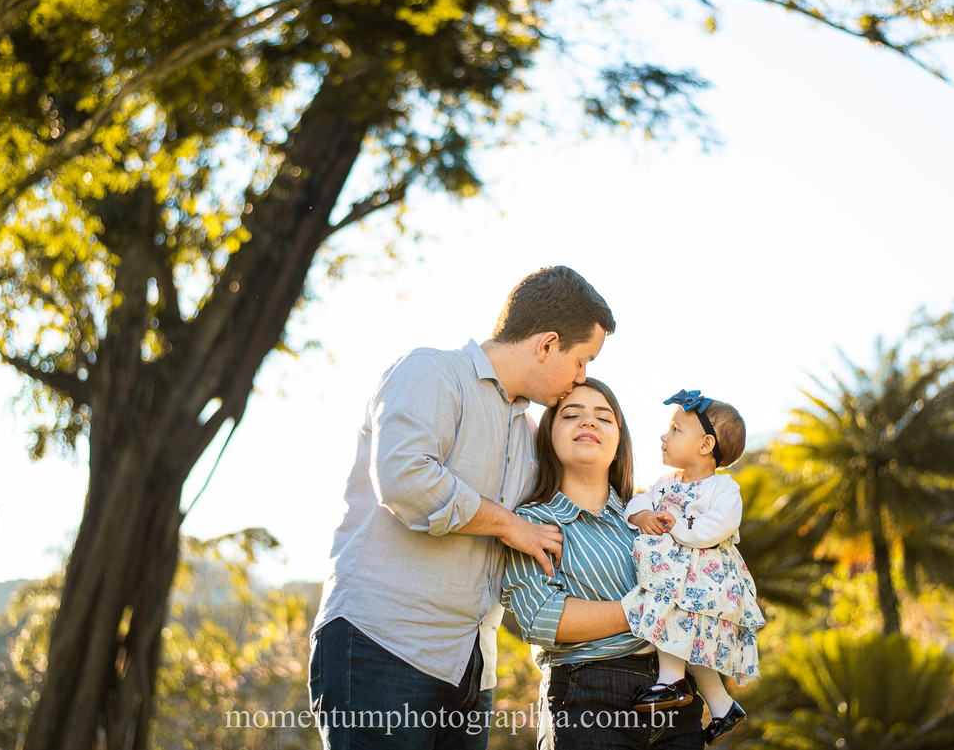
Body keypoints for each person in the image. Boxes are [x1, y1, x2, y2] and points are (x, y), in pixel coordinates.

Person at [309, 266, 616, 750]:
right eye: (582, 361)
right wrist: (508, 525)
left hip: (472, 668)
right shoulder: (431, 371)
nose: (582, 378)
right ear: (547, 344)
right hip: (382, 646)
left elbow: (571, 506)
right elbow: (405, 478)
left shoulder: (529, 434)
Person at [502, 378, 706, 750]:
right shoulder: (529, 522)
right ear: (548, 435)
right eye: (572, 415)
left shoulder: (653, 515)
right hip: (588, 698)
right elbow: (542, 617)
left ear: (619, 440)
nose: (589, 423)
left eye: (603, 417)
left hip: (677, 697)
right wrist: (649, 607)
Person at [622, 390, 764, 746]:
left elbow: (717, 526)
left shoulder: (723, 488)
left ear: (705, 444)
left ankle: (670, 680)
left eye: (675, 429)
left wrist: (678, 528)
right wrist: (644, 515)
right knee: (692, 640)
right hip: (682, 577)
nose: (663, 436)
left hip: (707, 579)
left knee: (676, 618)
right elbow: (640, 499)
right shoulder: (666, 484)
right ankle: (721, 706)